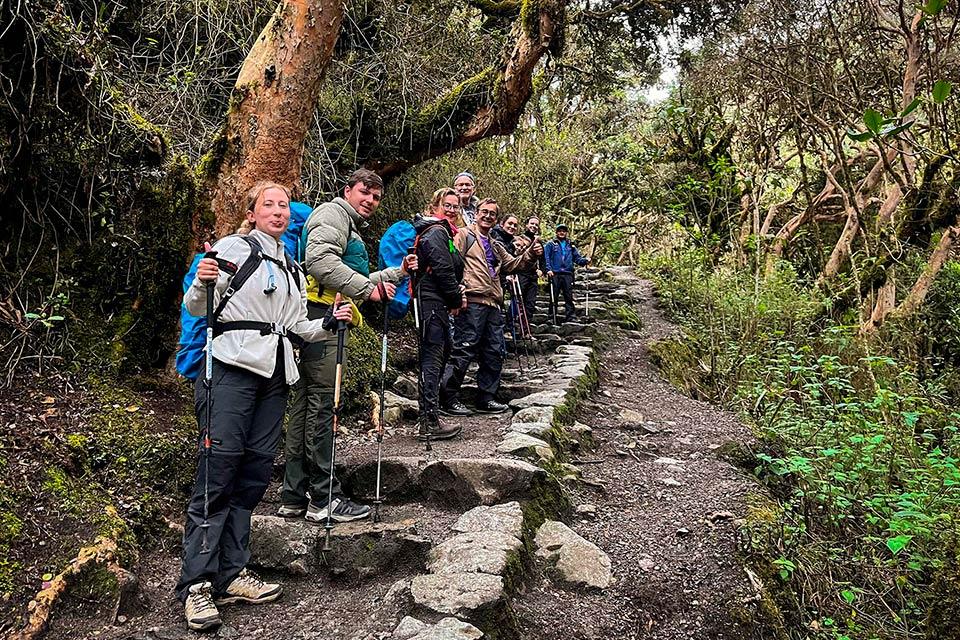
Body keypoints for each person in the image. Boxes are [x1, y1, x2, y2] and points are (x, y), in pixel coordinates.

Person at [177, 182, 354, 632]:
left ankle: (232, 573)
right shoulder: (233, 247)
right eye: (268, 204)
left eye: (283, 205)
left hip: (275, 376)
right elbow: (198, 304)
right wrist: (202, 278)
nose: (278, 211)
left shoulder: (292, 267)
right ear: (253, 212)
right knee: (218, 471)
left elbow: (296, 326)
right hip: (230, 370)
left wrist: (330, 322)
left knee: (254, 475)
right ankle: (197, 584)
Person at [278, 169, 416, 524]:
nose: (370, 201)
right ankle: (324, 497)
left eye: (376, 197)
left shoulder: (345, 223)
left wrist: (395, 274)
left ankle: (295, 495)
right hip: (322, 317)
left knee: (307, 405)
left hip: (325, 312)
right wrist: (367, 290)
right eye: (364, 192)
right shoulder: (332, 214)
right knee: (323, 405)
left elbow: (350, 276)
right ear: (347, 190)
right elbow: (320, 263)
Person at [440, 198, 543, 416]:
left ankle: (486, 397)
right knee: (464, 349)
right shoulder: (463, 235)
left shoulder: (495, 245)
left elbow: (513, 265)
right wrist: (456, 295)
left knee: (494, 351)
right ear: (476, 213)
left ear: (496, 219)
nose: (487, 216)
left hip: (493, 304)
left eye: (492, 214)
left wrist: (532, 253)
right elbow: (452, 263)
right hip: (472, 300)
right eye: (484, 212)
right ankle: (447, 398)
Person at [411, 188, 467, 440]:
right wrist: (455, 297)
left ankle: (430, 417)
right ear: (434, 206)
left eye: (456, 206)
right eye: (447, 205)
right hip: (431, 303)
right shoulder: (435, 232)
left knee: (440, 354)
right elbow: (443, 268)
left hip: (437, 302)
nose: (452, 210)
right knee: (432, 359)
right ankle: (428, 421)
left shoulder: (442, 232)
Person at [544, 223, 590, 323]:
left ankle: (570, 316)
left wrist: (585, 261)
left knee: (568, 296)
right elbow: (546, 257)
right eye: (560, 231)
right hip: (554, 273)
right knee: (553, 296)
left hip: (568, 274)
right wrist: (548, 269)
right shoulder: (550, 244)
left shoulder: (571, 245)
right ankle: (552, 317)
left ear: (566, 233)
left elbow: (577, 258)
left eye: (564, 231)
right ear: (556, 232)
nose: (562, 233)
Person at [516, 216, 544, 328]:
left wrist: (542, 269)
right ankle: (510, 326)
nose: (534, 226)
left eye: (536, 225)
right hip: (521, 273)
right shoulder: (519, 239)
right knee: (517, 300)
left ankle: (526, 328)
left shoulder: (538, 240)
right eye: (532, 223)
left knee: (530, 303)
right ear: (526, 225)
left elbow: (542, 257)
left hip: (533, 276)